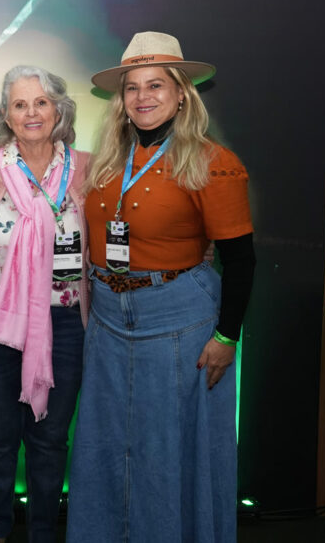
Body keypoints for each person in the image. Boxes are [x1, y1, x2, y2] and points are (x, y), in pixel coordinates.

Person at [66, 32, 255, 542]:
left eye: (156, 85)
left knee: (169, 452)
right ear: (120, 99)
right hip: (107, 321)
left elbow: (241, 260)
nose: (142, 96)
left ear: (181, 94)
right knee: (104, 448)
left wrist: (227, 336)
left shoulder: (213, 161)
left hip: (180, 321)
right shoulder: (106, 161)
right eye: (132, 87)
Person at [0, 66, 90, 543]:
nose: (31, 112)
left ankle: (42, 533)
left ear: (58, 110)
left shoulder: (89, 168)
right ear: (6, 115)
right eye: (20, 104)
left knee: (50, 440)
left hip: (65, 325)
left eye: (41, 102)